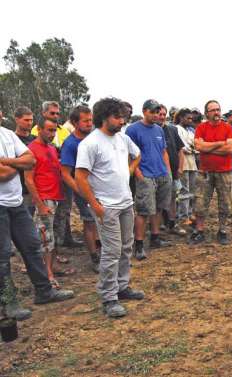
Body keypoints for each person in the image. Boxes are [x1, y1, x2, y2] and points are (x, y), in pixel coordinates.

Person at [75, 97, 144, 318]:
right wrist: (95, 205)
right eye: (117, 117)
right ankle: (108, 297)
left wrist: (129, 171)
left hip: (126, 203)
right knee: (111, 252)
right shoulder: (90, 143)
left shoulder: (122, 139)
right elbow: (80, 176)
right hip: (107, 207)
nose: (122, 121)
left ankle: (122, 287)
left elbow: (137, 154)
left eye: (123, 117)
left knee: (126, 247)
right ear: (104, 117)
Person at [0, 125, 74, 321]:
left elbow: (30, 160)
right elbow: (3, 174)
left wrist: (7, 162)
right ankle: (9, 303)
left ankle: (44, 291)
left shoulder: (7, 134)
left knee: (33, 245)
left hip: (16, 203)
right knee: (3, 255)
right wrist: (18, 164)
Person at [26, 117, 77, 288]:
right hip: (45, 200)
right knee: (45, 240)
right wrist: (40, 204)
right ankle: (47, 275)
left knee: (55, 237)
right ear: (39, 129)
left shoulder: (52, 148)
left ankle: (52, 268)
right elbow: (29, 180)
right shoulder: (31, 150)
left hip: (58, 197)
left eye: (54, 130)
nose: (52, 133)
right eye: (49, 130)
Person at [126, 100, 173, 260]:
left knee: (159, 208)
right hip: (145, 175)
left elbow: (164, 151)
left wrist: (168, 172)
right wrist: (138, 174)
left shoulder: (159, 129)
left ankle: (155, 237)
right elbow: (129, 155)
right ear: (144, 111)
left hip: (161, 175)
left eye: (157, 112)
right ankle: (138, 244)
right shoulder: (132, 130)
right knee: (144, 211)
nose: (155, 115)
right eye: (152, 112)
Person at [60, 105, 101, 273]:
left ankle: (107, 254)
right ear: (75, 122)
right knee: (90, 223)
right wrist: (80, 190)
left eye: (91, 120)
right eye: (85, 121)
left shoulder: (95, 138)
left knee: (104, 222)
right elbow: (65, 173)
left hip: (102, 188)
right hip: (85, 191)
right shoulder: (70, 144)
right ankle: (95, 257)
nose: (89, 123)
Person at [189, 100, 232, 245]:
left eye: (218, 109)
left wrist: (208, 147)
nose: (216, 112)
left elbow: (230, 149)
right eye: (213, 110)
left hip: (224, 172)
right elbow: (198, 146)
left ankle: (222, 230)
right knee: (200, 202)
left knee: (225, 203)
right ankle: (200, 230)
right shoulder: (201, 128)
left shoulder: (228, 128)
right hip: (205, 172)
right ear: (206, 113)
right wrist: (220, 143)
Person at [155, 105, 186, 236]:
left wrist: (180, 168)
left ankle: (173, 224)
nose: (162, 117)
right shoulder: (151, 131)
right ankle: (158, 226)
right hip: (155, 172)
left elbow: (180, 150)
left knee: (173, 199)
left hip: (173, 172)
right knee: (157, 200)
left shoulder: (172, 130)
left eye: (164, 114)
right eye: (159, 114)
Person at [175, 108, 198, 224]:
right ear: (181, 118)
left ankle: (189, 213)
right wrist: (192, 148)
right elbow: (183, 147)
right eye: (187, 118)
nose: (190, 120)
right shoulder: (177, 129)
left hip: (192, 163)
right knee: (184, 190)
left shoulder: (190, 130)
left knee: (192, 190)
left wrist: (193, 148)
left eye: (191, 118)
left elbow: (195, 144)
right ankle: (183, 216)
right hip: (183, 163)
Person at [13, 106, 37, 216]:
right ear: (17, 120)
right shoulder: (10, 140)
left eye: (31, 120)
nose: (29, 123)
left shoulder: (36, 139)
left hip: (38, 188)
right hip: (20, 190)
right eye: (26, 120)